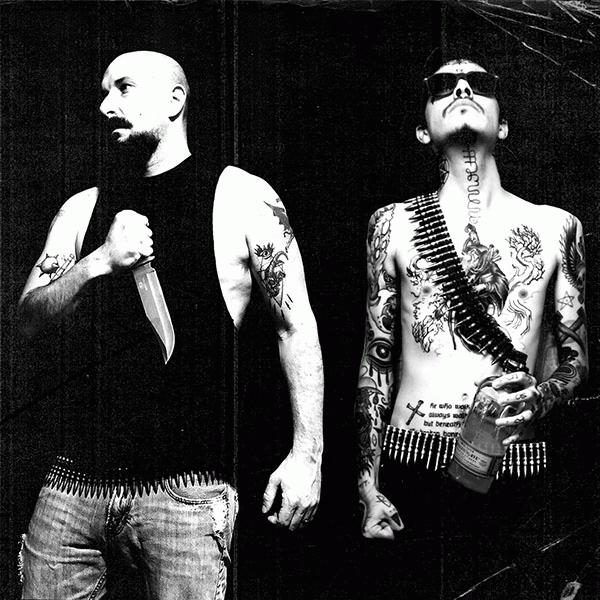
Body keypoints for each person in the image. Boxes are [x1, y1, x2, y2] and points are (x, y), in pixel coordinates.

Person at [17, 50, 323, 600]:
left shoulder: (240, 196)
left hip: (185, 496)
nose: (106, 106)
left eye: (124, 88)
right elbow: (25, 324)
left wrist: (308, 456)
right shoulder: (82, 208)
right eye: (103, 93)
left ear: (175, 99)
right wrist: (96, 263)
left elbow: (294, 328)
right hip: (71, 493)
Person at [354, 58, 588, 598]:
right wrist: (367, 485)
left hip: (516, 462)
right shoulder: (392, 224)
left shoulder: (558, 227)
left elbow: (577, 360)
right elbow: (376, 361)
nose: (462, 88)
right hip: (413, 457)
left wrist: (540, 396)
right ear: (423, 130)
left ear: (503, 125)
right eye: (442, 87)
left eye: (479, 85)